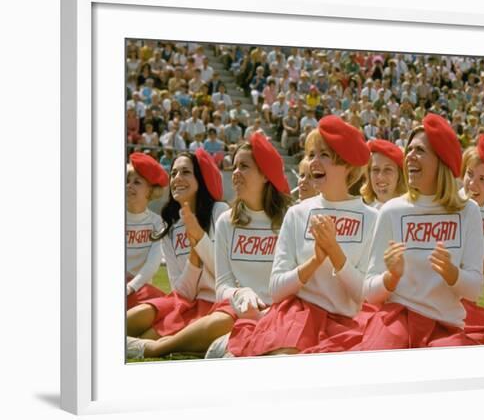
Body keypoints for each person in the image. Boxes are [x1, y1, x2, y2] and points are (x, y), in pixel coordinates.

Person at [226, 115, 378, 356]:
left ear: (347, 164)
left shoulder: (373, 219)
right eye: (311, 155)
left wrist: (335, 253)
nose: (313, 162)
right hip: (297, 316)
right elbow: (276, 289)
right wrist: (315, 261)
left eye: (324, 155)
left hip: (347, 325)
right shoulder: (297, 214)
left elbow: (366, 296)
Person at [343, 113, 484, 351]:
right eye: (409, 149)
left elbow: (475, 288)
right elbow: (369, 292)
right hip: (395, 321)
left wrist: (452, 273)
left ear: (441, 160)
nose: (410, 156)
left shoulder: (468, 212)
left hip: (446, 326)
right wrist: (390, 277)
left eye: (420, 150)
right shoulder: (391, 211)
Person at [126, 149, 232, 358]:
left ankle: (156, 346)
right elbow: (179, 288)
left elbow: (224, 273)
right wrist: (194, 259)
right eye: (173, 173)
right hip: (184, 301)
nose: (177, 179)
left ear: (200, 179)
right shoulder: (170, 227)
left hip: (217, 302)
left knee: (150, 337)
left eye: (185, 172)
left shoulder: (219, 212)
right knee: (133, 320)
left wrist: (199, 240)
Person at [205, 133, 293, 358]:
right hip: (240, 311)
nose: (235, 173)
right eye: (233, 166)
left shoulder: (290, 218)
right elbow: (221, 286)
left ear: (265, 174)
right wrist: (240, 292)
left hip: (282, 315)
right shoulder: (226, 221)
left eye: (243, 166)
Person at [459, 134, 484, 342]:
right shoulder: (451, 205)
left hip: (470, 302)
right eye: (469, 174)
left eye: (483, 179)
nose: (472, 184)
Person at [125, 152, 168, 309]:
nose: (129, 185)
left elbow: (153, 263)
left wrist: (130, 287)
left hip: (140, 288)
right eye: (127, 181)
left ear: (150, 191)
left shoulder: (157, 223)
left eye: (137, 182)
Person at [360, 139, 407, 210]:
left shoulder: (409, 211)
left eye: (388, 169)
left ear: (399, 175)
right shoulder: (362, 212)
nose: (380, 177)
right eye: (375, 169)